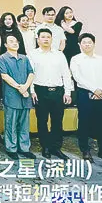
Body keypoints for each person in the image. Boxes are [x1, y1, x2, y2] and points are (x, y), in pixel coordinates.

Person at [70, 33, 102, 164]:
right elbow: (77, 78)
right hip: (84, 94)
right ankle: (85, 150)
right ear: (79, 45)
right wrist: (94, 89)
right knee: (84, 123)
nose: (87, 45)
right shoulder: (76, 59)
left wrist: (101, 90)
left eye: (89, 42)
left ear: (94, 44)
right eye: (84, 42)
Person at [29, 29, 73, 160]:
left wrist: (67, 92)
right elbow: (30, 73)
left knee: (57, 121)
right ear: (38, 39)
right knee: (42, 121)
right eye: (43, 37)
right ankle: (45, 147)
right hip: (40, 91)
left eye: (48, 37)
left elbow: (66, 74)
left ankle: (56, 147)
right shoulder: (33, 54)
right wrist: (32, 91)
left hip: (58, 91)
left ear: (52, 39)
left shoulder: (59, 54)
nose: (46, 39)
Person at [0, 34, 36, 160]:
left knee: (24, 123)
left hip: (25, 95)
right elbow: (4, 76)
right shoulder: (2, 58)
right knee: (11, 123)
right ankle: (11, 148)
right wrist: (20, 88)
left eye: (16, 41)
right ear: (5, 45)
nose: (15, 43)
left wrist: (25, 87)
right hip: (12, 95)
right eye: (11, 41)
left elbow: (31, 73)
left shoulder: (24, 58)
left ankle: (24, 148)